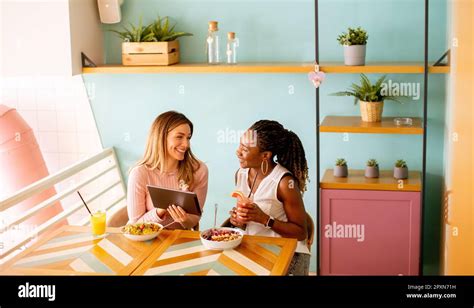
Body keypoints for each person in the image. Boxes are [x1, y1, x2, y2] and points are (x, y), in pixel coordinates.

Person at [229, 120, 311, 275]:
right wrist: (238, 220)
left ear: (265, 155)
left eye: (245, 149)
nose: (237, 152)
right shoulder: (241, 174)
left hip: (289, 252)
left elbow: (301, 232)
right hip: (255, 246)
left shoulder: (284, 183)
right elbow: (245, 224)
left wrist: (265, 219)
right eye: (240, 145)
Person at [127, 111, 208, 230]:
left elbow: (194, 219)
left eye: (188, 138)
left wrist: (185, 219)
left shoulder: (198, 170)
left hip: (181, 240)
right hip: (147, 241)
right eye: (179, 137)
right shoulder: (140, 174)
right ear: (161, 137)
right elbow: (135, 226)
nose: (186, 144)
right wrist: (160, 211)